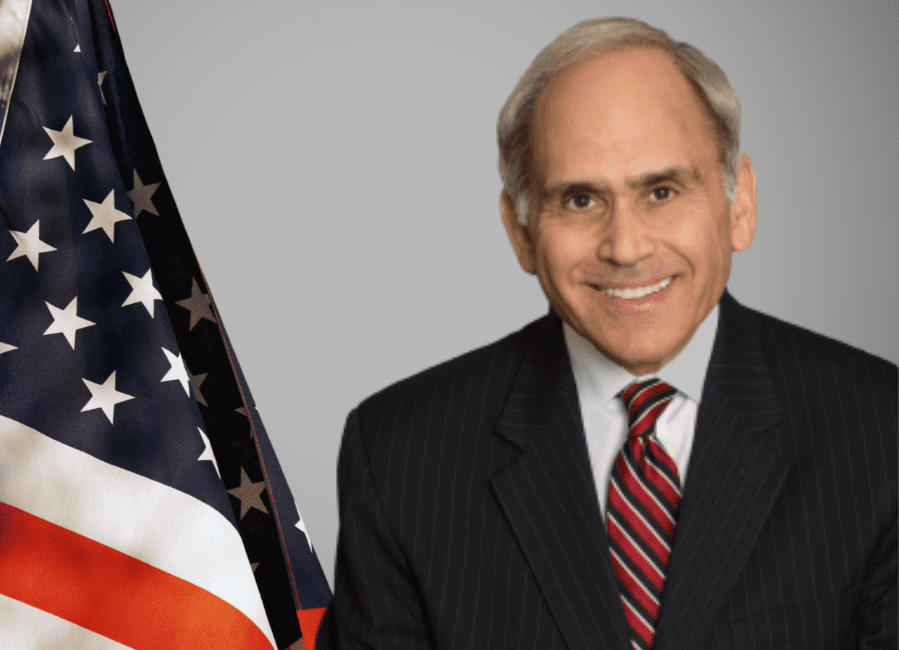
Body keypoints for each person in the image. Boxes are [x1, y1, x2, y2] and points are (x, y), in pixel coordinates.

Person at [317, 16, 897, 650]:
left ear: (740, 205)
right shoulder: (402, 456)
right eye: (580, 200)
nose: (625, 248)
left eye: (663, 191)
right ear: (521, 231)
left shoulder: (879, 430)